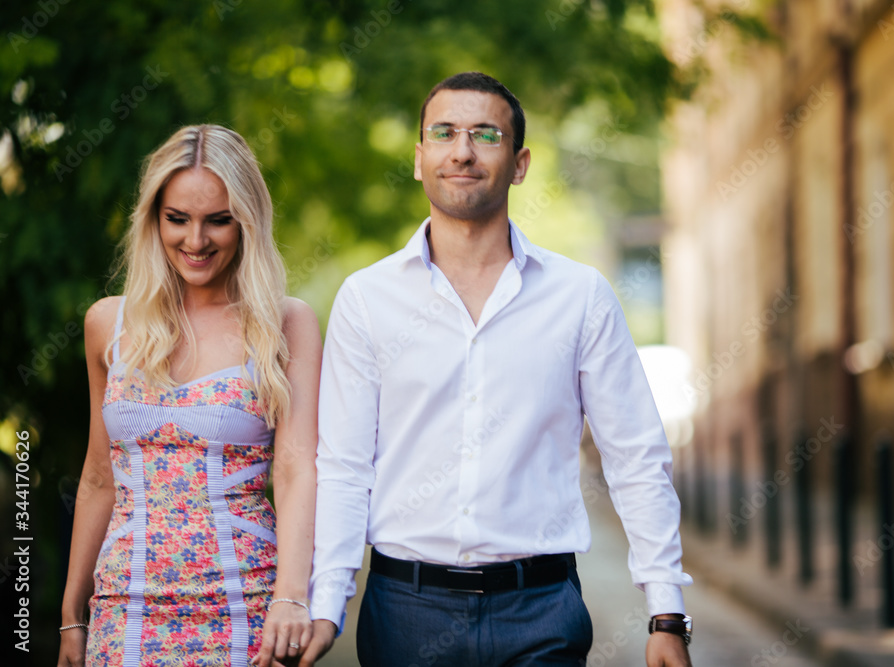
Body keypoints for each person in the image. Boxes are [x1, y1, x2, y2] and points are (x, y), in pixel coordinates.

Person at [306, 72, 693, 667]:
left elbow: (635, 455)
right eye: (444, 133)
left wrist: (666, 613)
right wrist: (326, 604)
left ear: (519, 164)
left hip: (540, 612)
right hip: (405, 614)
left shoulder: (580, 296)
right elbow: (343, 465)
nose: (462, 150)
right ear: (419, 158)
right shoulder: (367, 299)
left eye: (486, 134)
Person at [57, 125, 322, 667]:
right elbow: (97, 476)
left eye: (218, 220)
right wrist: (71, 616)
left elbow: (297, 469)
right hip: (123, 607)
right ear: (153, 217)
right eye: (177, 218)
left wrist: (291, 598)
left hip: (246, 605)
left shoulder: (284, 323)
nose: (195, 241)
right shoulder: (108, 322)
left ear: (246, 221)